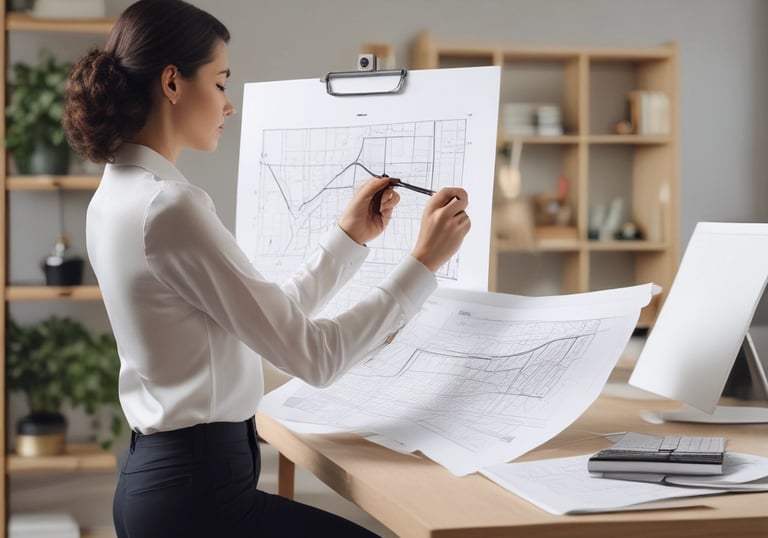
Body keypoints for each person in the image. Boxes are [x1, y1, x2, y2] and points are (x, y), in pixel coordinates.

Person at [63, 1, 470, 536]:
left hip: (163, 488)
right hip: (200, 500)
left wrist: (348, 240)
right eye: (222, 82)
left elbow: (260, 323)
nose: (228, 106)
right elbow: (316, 356)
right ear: (172, 83)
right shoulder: (169, 206)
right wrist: (422, 264)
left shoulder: (116, 196)